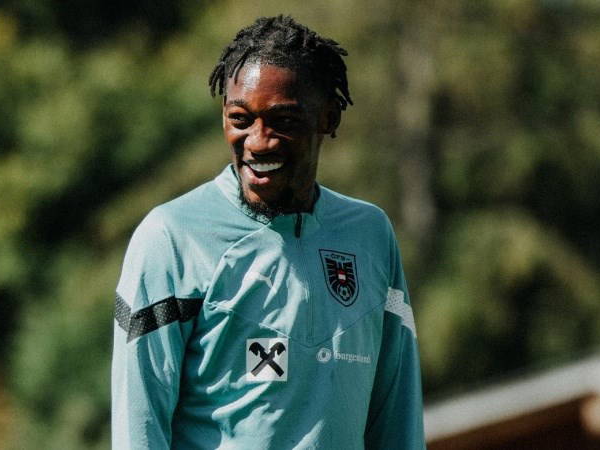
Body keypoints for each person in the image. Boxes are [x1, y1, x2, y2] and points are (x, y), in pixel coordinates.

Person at [112, 15, 425, 449]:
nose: (258, 141)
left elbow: (398, 414)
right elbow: (139, 425)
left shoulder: (370, 235)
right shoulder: (171, 237)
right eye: (240, 119)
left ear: (329, 118)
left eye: (284, 121)